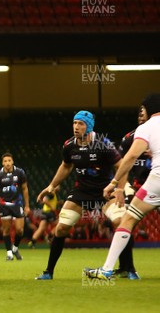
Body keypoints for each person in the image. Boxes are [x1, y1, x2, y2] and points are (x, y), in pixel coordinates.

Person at [35, 110, 126, 280]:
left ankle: (127, 269)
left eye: (81, 124)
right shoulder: (69, 145)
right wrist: (52, 185)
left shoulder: (103, 143)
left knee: (120, 222)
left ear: (89, 126)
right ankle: (48, 272)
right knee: (61, 227)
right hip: (82, 191)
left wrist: (118, 188)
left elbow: (121, 166)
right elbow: (66, 166)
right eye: (74, 123)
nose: (76, 127)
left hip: (105, 190)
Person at [85, 94, 160, 281]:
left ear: (149, 108)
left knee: (127, 219)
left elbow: (130, 157)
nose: (141, 112)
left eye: (143, 108)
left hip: (156, 181)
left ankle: (107, 270)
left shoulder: (147, 127)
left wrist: (114, 184)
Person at [109, 105, 151, 278]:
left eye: (145, 112)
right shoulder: (129, 139)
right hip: (138, 186)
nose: (141, 115)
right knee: (124, 222)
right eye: (139, 113)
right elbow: (122, 165)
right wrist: (119, 188)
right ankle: (128, 267)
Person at [0, 153, 30, 261]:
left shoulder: (20, 172)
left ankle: (15, 248)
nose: (7, 163)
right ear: (2, 163)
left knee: (20, 230)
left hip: (18, 204)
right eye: (5, 161)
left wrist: (27, 205)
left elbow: (25, 189)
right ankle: (9, 253)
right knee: (6, 230)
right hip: (4, 205)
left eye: (9, 160)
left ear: (12, 161)